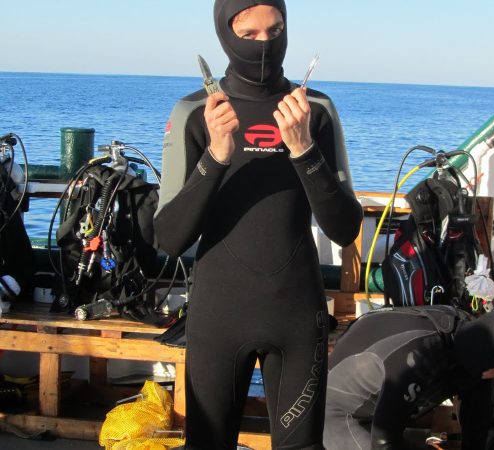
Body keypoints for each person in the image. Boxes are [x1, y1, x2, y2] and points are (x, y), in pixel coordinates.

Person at [153, 1, 363, 449]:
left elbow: (344, 229)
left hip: (296, 317)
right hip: (217, 316)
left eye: (276, 30)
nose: (265, 44)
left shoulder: (315, 111)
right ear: (225, 35)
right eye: (249, 34)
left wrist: (304, 150)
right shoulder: (197, 112)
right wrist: (216, 157)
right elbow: (170, 237)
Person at [323, 306, 494, 450]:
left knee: (481, 384)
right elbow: (383, 440)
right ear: (483, 360)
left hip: (383, 409)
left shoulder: (469, 334)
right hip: (340, 415)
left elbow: (481, 397)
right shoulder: (416, 359)